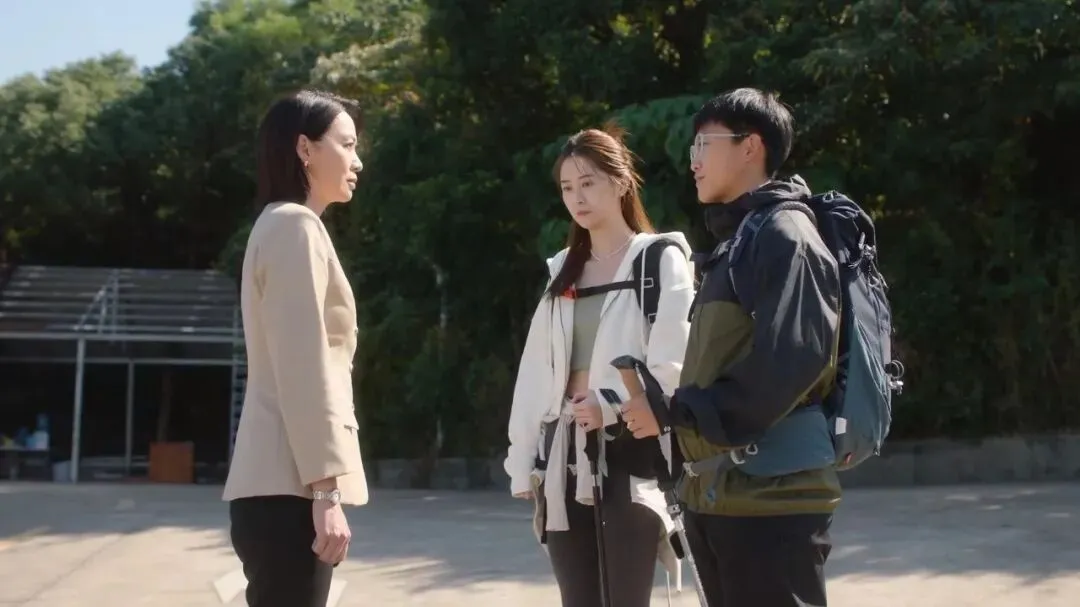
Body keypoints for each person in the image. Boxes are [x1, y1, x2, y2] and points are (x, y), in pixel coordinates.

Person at [620, 88, 843, 606]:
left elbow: (790, 361)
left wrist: (681, 412)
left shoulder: (785, 234)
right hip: (725, 495)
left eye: (705, 144)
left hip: (772, 501)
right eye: (692, 148)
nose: (693, 161)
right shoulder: (740, 238)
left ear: (750, 147)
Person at [504, 124, 696, 607]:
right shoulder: (563, 270)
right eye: (567, 187)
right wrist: (522, 457)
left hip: (630, 451)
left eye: (588, 182)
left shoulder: (659, 259)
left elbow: (675, 361)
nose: (577, 197)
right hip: (562, 456)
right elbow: (536, 370)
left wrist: (609, 403)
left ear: (621, 181)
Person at [222, 89, 369, 607]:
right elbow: (304, 368)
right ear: (305, 149)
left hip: (279, 489)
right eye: (347, 144)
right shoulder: (294, 226)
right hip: (290, 492)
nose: (357, 160)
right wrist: (325, 493)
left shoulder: (281, 224)